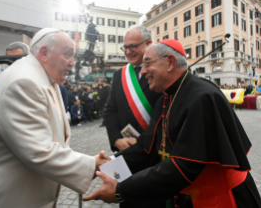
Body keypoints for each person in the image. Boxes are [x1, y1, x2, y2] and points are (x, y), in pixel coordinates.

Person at [84, 40, 261, 207]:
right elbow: (148, 148)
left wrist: (120, 191)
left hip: (219, 197)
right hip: (188, 197)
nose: (143, 71)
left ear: (169, 62)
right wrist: (108, 164)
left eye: (148, 64)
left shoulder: (202, 97)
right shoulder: (166, 97)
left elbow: (184, 166)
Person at [0, 28, 109, 208]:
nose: (73, 63)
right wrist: (91, 165)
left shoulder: (44, 77)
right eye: (68, 55)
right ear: (44, 53)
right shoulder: (23, 81)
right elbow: (39, 150)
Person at [104, 25, 161, 153]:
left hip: (153, 149)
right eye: (125, 47)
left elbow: (165, 114)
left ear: (148, 44)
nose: (128, 52)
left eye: (133, 46)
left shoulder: (160, 72)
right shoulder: (119, 75)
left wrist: (143, 143)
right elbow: (110, 110)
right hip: (124, 148)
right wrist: (116, 139)